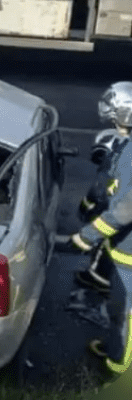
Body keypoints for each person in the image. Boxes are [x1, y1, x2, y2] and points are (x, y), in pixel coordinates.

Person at [72, 81, 132, 377]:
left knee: (126, 315)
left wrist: (87, 236)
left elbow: (125, 210)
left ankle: (118, 366)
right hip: (121, 249)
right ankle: (113, 346)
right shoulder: (128, 146)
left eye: (115, 115)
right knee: (116, 306)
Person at [77, 126, 129, 294]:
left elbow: (98, 194)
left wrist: (86, 229)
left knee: (108, 239)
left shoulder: (112, 168)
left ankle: (98, 279)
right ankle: (99, 277)